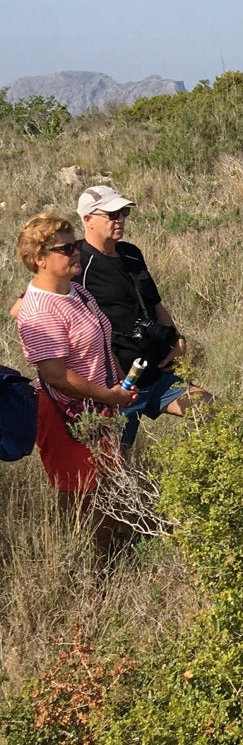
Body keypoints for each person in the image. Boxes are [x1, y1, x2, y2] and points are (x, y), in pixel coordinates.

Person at [14, 213, 138, 555]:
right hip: (67, 417)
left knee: (110, 485)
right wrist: (109, 395)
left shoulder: (78, 291)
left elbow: (102, 341)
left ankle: (115, 554)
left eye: (75, 245)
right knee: (83, 495)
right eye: (65, 248)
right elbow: (56, 376)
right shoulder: (39, 311)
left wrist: (119, 387)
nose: (76, 253)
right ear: (40, 259)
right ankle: (91, 570)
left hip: (101, 407)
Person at [75, 185, 213, 451]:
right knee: (111, 467)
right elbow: (29, 303)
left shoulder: (130, 253)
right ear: (88, 219)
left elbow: (155, 303)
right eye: (112, 214)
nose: (121, 219)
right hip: (117, 386)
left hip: (157, 373)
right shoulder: (76, 262)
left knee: (214, 413)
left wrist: (177, 339)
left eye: (123, 212)